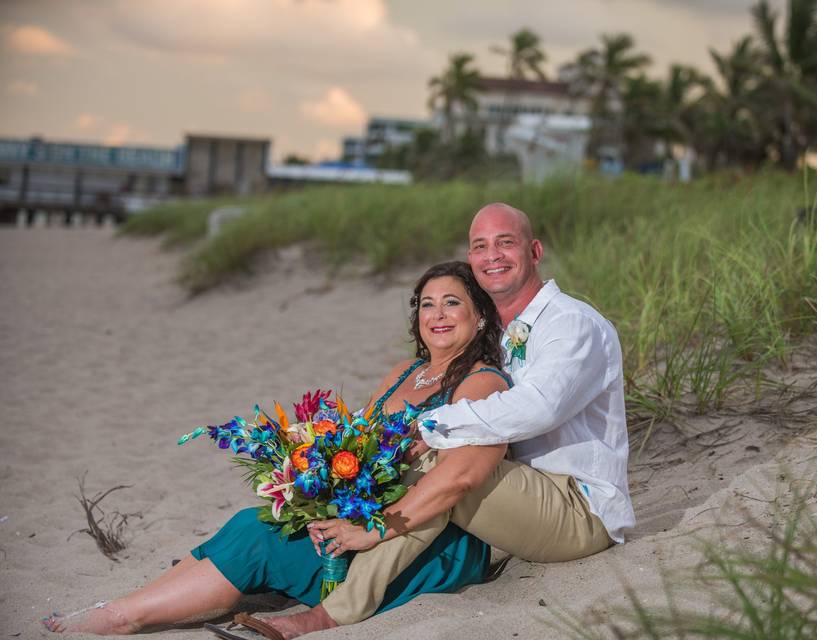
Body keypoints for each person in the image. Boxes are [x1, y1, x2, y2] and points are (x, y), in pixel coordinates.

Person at [41, 261, 511, 636]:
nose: (438, 315)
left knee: (256, 542)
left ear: (480, 314)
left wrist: (362, 520)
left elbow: (452, 480)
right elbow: (360, 449)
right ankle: (141, 604)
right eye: (428, 304)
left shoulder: (481, 381)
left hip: (423, 537)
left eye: (453, 303)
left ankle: (127, 617)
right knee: (256, 521)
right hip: (370, 515)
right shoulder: (403, 373)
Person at [245, 202, 636, 639]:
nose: (493, 255)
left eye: (506, 243)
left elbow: (537, 408)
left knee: (441, 466)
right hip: (525, 500)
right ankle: (315, 581)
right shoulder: (501, 336)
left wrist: (429, 426)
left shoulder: (571, 323)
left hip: (581, 509)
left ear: (535, 251)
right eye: (480, 246)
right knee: (416, 467)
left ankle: (328, 614)